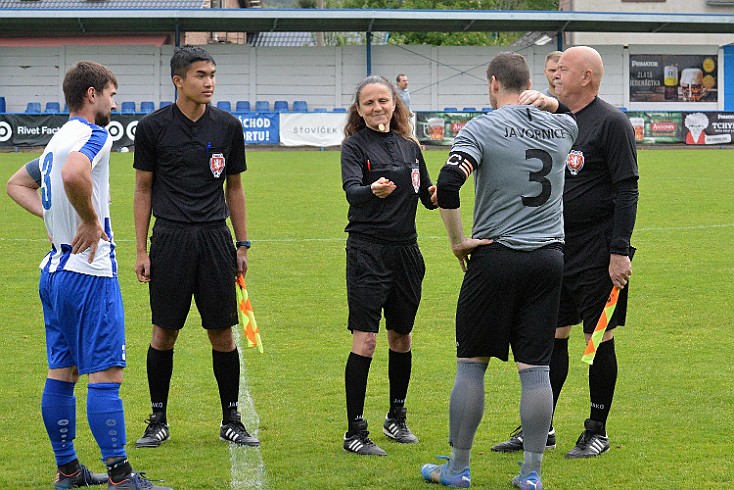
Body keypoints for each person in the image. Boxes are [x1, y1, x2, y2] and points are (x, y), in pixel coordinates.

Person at [6, 61, 171, 489]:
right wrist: (90, 220)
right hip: (89, 273)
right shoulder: (94, 135)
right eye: (113, 95)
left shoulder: (56, 139)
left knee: (61, 373)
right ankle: (120, 477)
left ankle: (68, 471)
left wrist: (54, 215)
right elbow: (74, 174)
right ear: (93, 94)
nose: (116, 104)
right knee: (105, 376)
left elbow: (15, 184)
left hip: (54, 271)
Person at [419, 52, 577, 489]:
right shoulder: (564, 128)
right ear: (530, 83)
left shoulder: (481, 127)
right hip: (548, 259)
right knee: (536, 369)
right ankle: (531, 475)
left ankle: (457, 468)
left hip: (496, 256)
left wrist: (456, 241)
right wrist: (553, 105)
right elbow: (572, 116)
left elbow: (448, 184)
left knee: (471, 364)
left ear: (493, 83)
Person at [491, 46, 639, 460]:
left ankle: (597, 430)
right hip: (554, 248)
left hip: (598, 253)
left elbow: (627, 189)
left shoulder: (611, 123)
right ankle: (543, 426)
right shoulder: (556, 120)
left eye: (564, 70)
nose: (555, 74)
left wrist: (619, 251)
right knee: (551, 338)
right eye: (554, 70)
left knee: (597, 340)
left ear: (587, 77)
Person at [133, 45, 259, 448]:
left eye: (212, 74)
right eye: (201, 75)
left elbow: (235, 188)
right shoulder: (152, 128)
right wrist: (141, 249)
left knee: (223, 333)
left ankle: (231, 419)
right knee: (164, 332)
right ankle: (157, 419)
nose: (209, 82)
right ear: (178, 80)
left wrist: (241, 243)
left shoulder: (227, 126)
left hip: (214, 238)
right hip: (169, 238)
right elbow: (143, 189)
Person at [340, 75, 436, 456]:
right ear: (359, 110)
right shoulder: (353, 146)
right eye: (369, 103)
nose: (378, 108)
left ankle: (396, 417)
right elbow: (351, 191)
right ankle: (355, 431)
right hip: (367, 251)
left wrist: (440, 190)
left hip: (406, 253)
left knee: (402, 336)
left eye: (384, 101)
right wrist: (371, 191)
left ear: (395, 104)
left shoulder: (410, 146)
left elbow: (427, 196)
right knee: (366, 340)